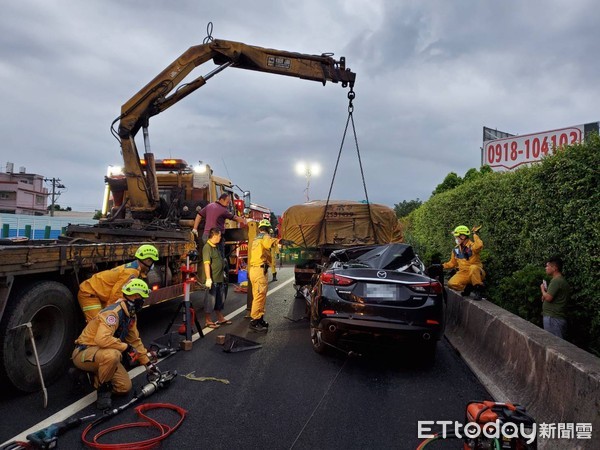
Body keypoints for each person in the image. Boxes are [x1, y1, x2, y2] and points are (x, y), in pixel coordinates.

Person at [71, 279, 160, 410]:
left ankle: (92, 375)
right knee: (114, 355)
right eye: (142, 298)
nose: (143, 301)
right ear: (135, 297)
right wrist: (126, 347)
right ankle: (102, 390)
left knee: (124, 387)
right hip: (84, 352)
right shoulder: (113, 313)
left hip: (102, 353)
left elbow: (135, 341)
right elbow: (102, 339)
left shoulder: (130, 315)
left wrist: (148, 364)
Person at [77, 244, 160, 322]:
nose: (153, 265)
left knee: (105, 324)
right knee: (99, 325)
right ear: (148, 260)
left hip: (97, 293)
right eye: (153, 262)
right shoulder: (131, 273)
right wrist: (111, 315)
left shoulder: (133, 269)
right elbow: (116, 296)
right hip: (90, 293)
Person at [248, 219, 279, 332]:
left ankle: (259, 318)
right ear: (268, 229)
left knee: (259, 295)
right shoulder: (265, 237)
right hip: (259, 270)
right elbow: (269, 243)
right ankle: (255, 321)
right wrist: (278, 241)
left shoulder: (256, 238)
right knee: (259, 296)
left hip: (255, 270)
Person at [442, 225, 485, 300]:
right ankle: (468, 287)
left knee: (473, 267)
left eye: (456, 236)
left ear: (463, 236)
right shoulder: (456, 250)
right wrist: (441, 266)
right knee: (451, 284)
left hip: (476, 273)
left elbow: (479, 245)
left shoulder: (472, 246)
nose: (455, 238)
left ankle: (478, 290)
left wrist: (475, 234)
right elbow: (452, 263)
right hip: (463, 273)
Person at [202, 227, 231, 328]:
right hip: (213, 279)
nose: (220, 237)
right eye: (219, 235)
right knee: (210, 300)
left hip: (219, 279)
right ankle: (208, 320)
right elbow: (206, 264)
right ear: (214, 235)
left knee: (219, 300)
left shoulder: (216, 246)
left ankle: (220, 318)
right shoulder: (207, 247)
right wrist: (208, 278)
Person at [540, 256, 570, 339]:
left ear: (555, 268)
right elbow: (550, 297)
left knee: (554, 345)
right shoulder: (560, 280)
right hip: (555, 318)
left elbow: (549, 298)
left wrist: (542, 289)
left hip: (553, 318)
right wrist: (545, 295)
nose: (546, 268)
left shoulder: (556, 281)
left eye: (547, 266)